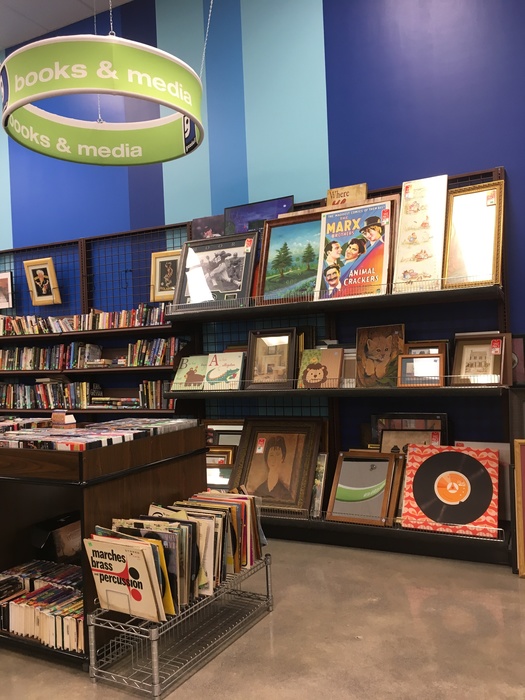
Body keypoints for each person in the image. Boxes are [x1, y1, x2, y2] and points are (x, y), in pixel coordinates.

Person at [253, 435, 293, 501]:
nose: (274, 459)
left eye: (277, 455)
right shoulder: (259, 490)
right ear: (266, 458)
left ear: (282, 458)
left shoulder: (285, 493)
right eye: (271, 455)